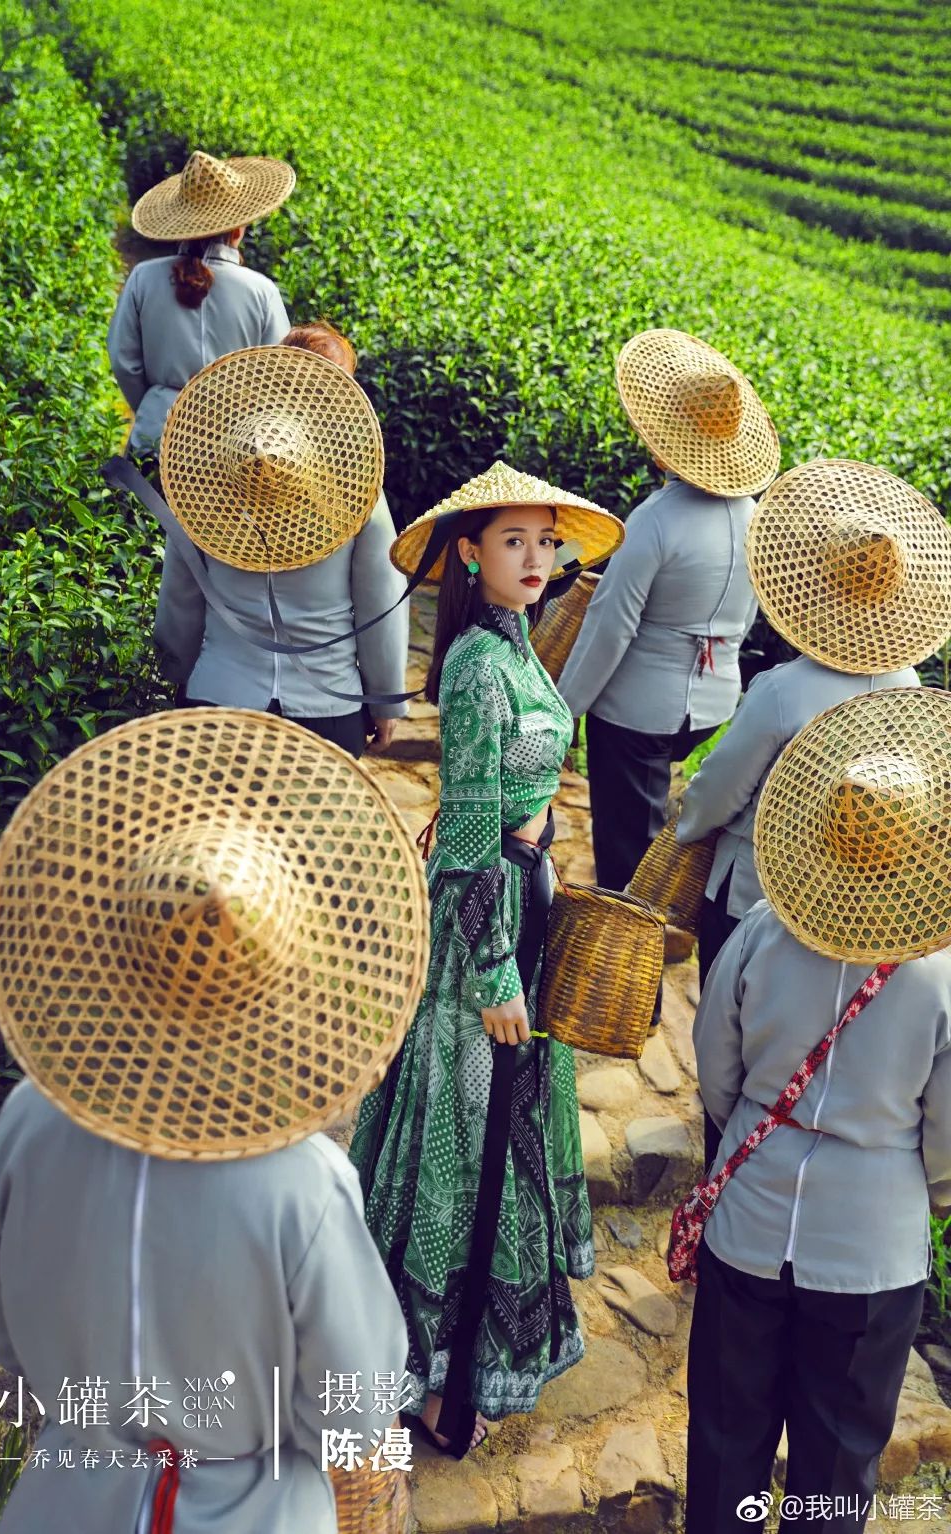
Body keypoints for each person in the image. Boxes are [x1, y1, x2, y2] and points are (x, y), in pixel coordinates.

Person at [0, 707, 428, 1534]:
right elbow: (356, 1411)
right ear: (289, 971)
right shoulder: (304, 1188)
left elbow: (7, 1341)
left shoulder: (27, 1123)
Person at [349, 462, 625, 1457]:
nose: (537, 557)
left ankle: (448, 1368)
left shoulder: (516, 644)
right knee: (461, 1137)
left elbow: (515, 795)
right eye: (515, 540)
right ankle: (425, 1374)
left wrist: (542, 845)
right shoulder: (473, 664)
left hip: (519, 898)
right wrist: (497, 973)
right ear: (469, 553)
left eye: (546, 541)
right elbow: (466, 835)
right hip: (483, 928)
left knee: (492, 1133)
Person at [685, 686, 951, 1534]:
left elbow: (715, 1065)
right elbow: (948, 1144)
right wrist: (933, 1193)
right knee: (836, 1469)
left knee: (725, 1443)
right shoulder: (940, 977)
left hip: (750, 1219)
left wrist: (753, 1127)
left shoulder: (762, 932)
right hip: (870, 1248)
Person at [676, 458, 951, 1165]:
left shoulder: (783, 690)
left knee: (734, 1035)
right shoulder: (909, 686)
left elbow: (721, 790)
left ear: (813, 587)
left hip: (757, 898)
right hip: (861, 905)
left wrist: (686, 827)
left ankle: (724, 1172)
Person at [557, 329, 780, 903]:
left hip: (636, 714)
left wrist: (563, 710)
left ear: (666, 445)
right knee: (650, 828)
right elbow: (747, 614)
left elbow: (611, 626)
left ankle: (627, 948)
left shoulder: (657, 519)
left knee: (626, 868)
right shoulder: (754, 516)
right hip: (713, 703)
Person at [151, 340, 409, 758]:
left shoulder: (200, 487)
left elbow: (179, 602)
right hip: (328, 709)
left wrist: (173, 675)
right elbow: (380, 608)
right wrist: (385, 701)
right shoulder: (357, 494)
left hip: (218, 699)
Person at [107, 150, 294, 461]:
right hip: (233, 449)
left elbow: (123, 359)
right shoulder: (261, 291)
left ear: (180, 225)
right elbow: (279, 377)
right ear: (238, 229)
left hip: (157, 436)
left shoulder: (143, 278)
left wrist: (155, 403)